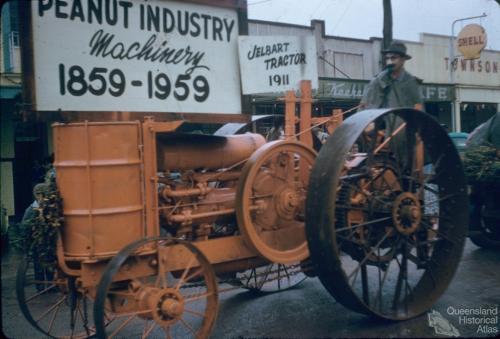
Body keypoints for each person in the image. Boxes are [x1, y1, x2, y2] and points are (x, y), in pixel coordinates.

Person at [360, 41, 423, 111]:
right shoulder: (378, 81)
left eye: (393, 58)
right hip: (380, 120)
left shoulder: (410, 82)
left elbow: (418, 106)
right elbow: (364, 107)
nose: (389, 62)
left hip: (404, 120)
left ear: (402, 60)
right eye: (387, 58)